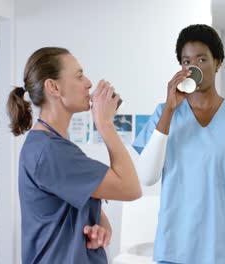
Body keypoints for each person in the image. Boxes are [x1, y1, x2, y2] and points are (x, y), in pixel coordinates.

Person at [133, 24, 225, 264]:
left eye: (202, 59)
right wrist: (169, 110)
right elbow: (147, 177)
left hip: (223, 251)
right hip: (174, 250)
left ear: (218, 62)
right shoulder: (164, 114)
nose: (193, 67)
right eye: (186, 61)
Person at [7, 47, 142, 264]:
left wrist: (100, 228)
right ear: (53, 87)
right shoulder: (50, 152)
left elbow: (92, 209)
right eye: (79, 76)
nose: (88, 82)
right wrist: (105, 124)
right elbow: (131, 188)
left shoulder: (55, 146)